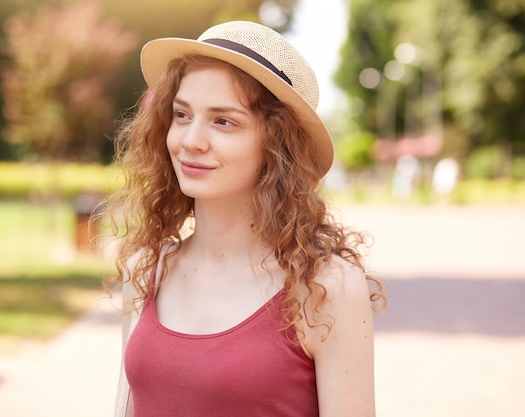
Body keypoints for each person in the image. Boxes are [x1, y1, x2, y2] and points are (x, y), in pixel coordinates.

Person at [106, 20, 386, 417]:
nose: (190, 141)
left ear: (277, 145)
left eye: (223, 121)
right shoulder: (148, 270)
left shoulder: (325, 288)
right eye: (182, 115)